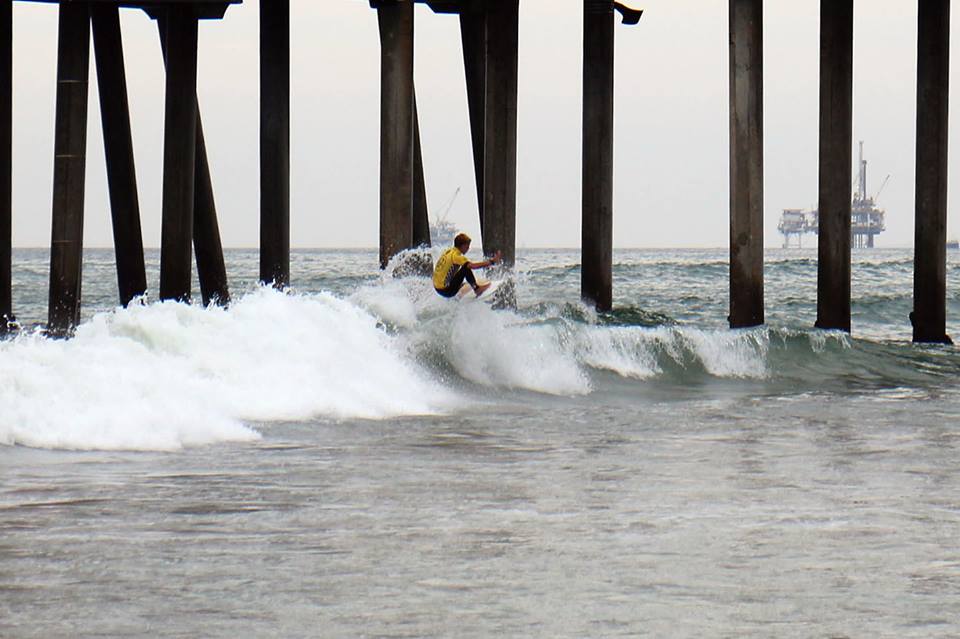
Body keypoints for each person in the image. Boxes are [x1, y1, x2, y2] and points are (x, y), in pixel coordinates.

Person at [433, 233, 502, 298]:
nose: (468, 249)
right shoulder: (456, 256)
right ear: (462, 246)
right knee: (466, 267)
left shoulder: (448, 252)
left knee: (463, 269)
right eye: (467, 246)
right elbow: (473, 266)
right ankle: (477, 289)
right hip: (446, 291)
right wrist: (492, 261)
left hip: (437, 288)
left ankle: (460, 288)